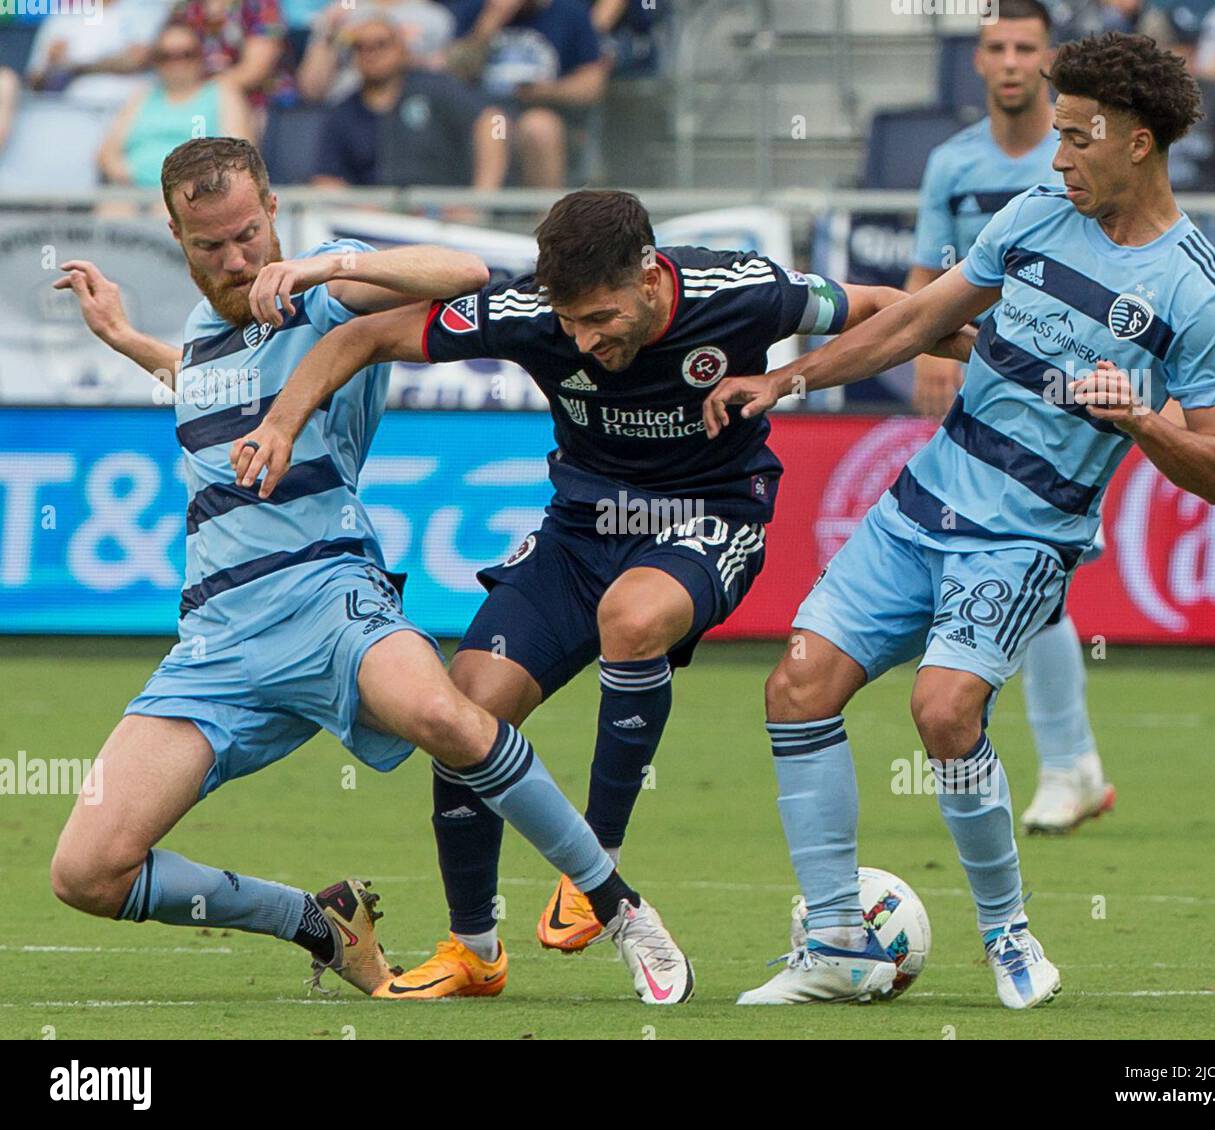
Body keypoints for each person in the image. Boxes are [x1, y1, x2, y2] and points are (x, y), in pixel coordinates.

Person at [227, 188, 976, 998]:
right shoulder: (531, 311)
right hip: (580, 530)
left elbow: (882, 306)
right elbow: (365, 337)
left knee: (633, 618)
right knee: (464, 710)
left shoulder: (743, 292)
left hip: (710, 515)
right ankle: (473, 950)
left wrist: (988, 352)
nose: (583, 340)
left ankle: (598, 864)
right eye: (570, 323)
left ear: (652, 276)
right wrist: (282, 423)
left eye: (600, 318)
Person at [48, 137, 694, 1007]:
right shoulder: (204, 341)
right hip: (215, 646)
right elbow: (201, 389)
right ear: (176, 236)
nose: (238, 260)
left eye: (249, 234)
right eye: (211, 247)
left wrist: (324, 265)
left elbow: (463, 272)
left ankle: (620, 909)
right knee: (85, 871)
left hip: (328, 600)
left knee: (447, 715)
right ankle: (320, 924)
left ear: (273, 210)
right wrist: (127, 338)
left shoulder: (323, 302)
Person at [703, 32, 1215, 1009]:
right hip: (924, 497)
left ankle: (1007, 934)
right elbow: (915, 319)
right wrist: (787, 377)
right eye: (1059, 132)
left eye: (1078, 136)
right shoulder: (1036, 213)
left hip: (1028, 533)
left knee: (943, 709)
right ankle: (833, 941)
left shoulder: (1196, 292)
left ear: (1138, 142)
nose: (1059, 154)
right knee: (795, 685)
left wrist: (1142, 417)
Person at [909, 0, 1113, 835]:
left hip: (1068, 391)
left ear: (1050, 57)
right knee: (1021, 576)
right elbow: (931, 274)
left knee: (1034, 575)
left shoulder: (1081, 159)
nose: (1010, 61)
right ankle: (1072, 764)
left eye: (1026, 46)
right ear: (980, 59)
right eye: (995, 46)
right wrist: (924, 353)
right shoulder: (951, 161)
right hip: (984, 385)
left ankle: (1069, 763)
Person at [311, 11, 506, 190]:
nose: (371, 54)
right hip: (372, 220)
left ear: (401, 48)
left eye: (381, 44)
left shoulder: (436, 89)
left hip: (443, 216)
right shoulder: (343, 112)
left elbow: (496, 121)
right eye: (360, 47)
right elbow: (325, 179)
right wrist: (366, 209)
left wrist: (481, 199)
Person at [444, 0, 606, 186]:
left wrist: (543, 91)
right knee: (495, 124)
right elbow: (453, 72)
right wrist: (489, 23)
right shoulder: (474, 9)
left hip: (546, 116)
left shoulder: (570, 13)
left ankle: (547, 212)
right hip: (486, 118)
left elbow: (592, 85)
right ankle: (480, 211)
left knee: (537, 127)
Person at [99, 22, 254, 188]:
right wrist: (125, 175)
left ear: (201, 56)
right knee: (114, 208)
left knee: (171, 210)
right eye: (166, 56)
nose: (176, 63)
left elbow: (239, 155)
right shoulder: (142, 97)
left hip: (198, 193)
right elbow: (107, 152)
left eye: (186, 54)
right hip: (135, 190)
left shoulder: (222, 93)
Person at [296, 0, 456, 104]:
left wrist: (406, 58)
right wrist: (328, 29)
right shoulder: (346, 8)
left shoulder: (434, 17)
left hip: (411, 116)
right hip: (348, 114)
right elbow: (311, 90)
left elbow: (445, 85)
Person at [25, 0, 167, 110]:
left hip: (130, 106)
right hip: (70, 109)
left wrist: (73, 68)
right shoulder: (64, 15)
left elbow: (137, 60)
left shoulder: (147, 7)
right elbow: (35, 78)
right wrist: (52, 64)